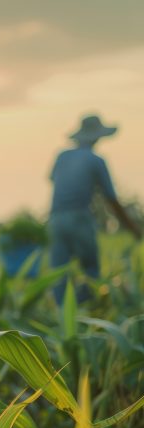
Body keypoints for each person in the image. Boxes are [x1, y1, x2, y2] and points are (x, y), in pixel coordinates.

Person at [48, 114, 141, 303]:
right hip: (79, 217)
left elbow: (53, 180)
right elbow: (111, 199)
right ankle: (87, 308)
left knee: (58, 271)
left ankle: (61, 313)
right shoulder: (96, 160)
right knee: (90, 269)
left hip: (55, 218)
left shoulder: (62, 156)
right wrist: (133, 228)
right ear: (97, 137)